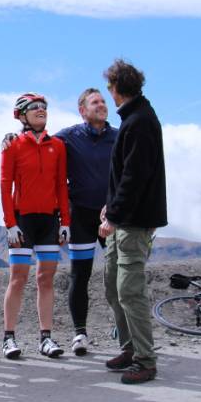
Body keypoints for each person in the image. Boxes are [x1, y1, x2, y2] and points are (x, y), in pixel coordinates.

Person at [98, 59, 167, 384]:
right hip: (122, 218)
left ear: (116, 89)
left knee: (129, 290)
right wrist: (110, 207)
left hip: (133, 223)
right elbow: (123, 175)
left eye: (109, 89)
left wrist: (114, 214)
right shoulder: (134, 118)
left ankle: (145, 359)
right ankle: (130, 347)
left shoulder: (139, 121)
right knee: (113, 286)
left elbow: (134, 177)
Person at [0, 92, 70, 359]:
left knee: (46, 279)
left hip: (49, 220)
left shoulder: (58, 145)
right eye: (34, 107)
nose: (41, 110)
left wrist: (66, 221)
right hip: (23, 220)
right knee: (18, 278)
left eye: (44, 107)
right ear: (22, 114)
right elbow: (5, 186)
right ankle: (8, 338)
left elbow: (62, 185)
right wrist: (10, 223)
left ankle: (46, 338)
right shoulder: (13, 144)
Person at [53, 88, 117, 356]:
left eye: (103, 101)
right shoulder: (68, 137)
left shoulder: (118, 136)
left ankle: (125, 327)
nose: (102, 105)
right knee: (80, 275)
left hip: (113, 216)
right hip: (80, 215)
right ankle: (80, 333)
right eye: (95, 102)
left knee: (120, 274)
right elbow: (39, 145)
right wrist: (14, 137)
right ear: (83, 110)